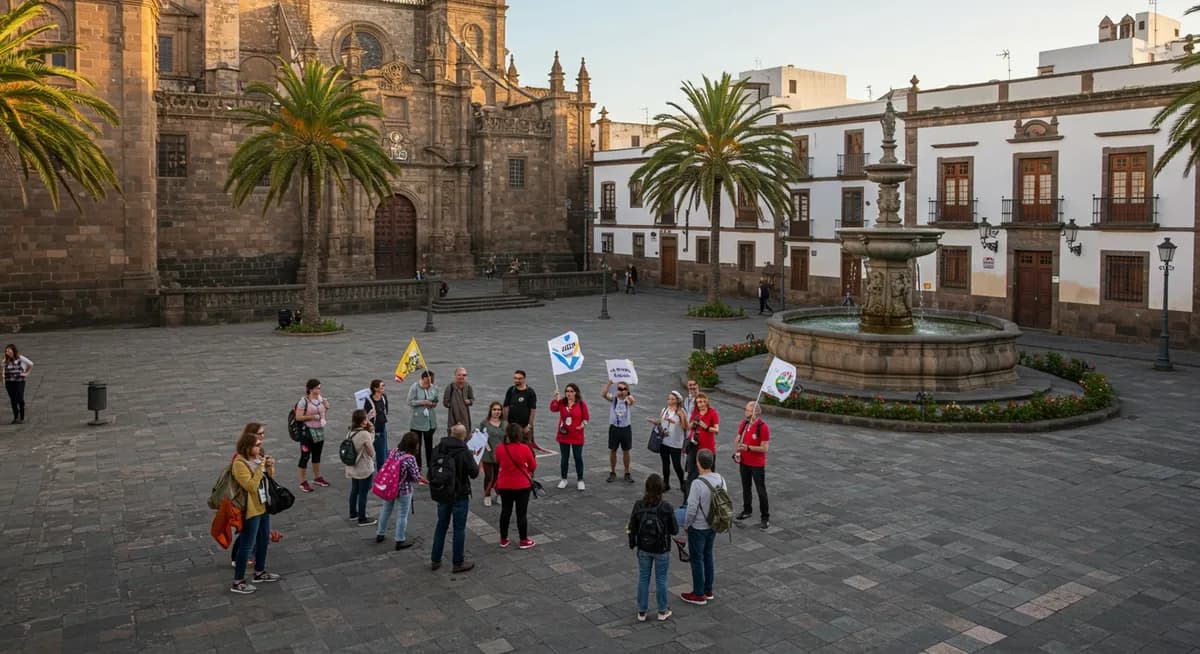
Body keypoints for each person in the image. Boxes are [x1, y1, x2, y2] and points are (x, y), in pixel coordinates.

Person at [230, 423, 281, 594]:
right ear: (248, 447)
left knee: (263, 540)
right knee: (247, 545)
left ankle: (260, 572)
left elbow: (269, 477)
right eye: (257, 445)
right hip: (250, 509)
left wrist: (270, 465)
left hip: (263, 504)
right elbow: (251, 486)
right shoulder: (239, 463)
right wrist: (261, 467)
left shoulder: (259, 457)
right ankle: (238, 581)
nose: (260, 447)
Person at [430, 424, 480, 573]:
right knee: (459, 529)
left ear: (451, 433)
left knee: (441, 525)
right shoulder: (464, 451)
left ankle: (435, 559)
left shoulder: (438, 448)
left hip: (442, 492)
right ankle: (458, 562)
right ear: (464, 436)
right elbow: (474, 473)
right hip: (460, 493)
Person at [627, 474, 677, 622]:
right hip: (661, 548)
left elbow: (632, 526)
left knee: (643, 578)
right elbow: (674, 530)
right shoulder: (666, 507)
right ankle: (662, 611)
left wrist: (633, 541)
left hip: (643, 547)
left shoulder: (638, 505)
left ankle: (642, 611)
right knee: (661, 579)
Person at [678, 449, 724, 606]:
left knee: (697, 559)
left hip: (698, 527)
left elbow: (691, 509)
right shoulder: (720, 479)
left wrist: (686, 525)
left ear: (698, 463)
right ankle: (708, 590)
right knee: (708, 555)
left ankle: (698, 594)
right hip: (714, 524)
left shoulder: (697, 483)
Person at [495, 422, 538, 549]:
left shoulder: (500, 448)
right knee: (521, 513)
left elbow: (498, 461)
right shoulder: (525, 448)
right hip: (522, 485)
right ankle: (523, 540)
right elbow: (533, 466)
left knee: (505, 511)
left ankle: (503, 539)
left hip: (504, 484)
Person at [376, 431, 421, 550]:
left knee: (386, 510)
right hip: (404, 489)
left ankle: (380, 533)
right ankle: (399, 540)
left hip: (390, 486)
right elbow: (416, 477)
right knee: (402, 515)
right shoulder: (410, 458)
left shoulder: (394, 451)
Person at [734, 401, 771, 530]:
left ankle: (765, 517)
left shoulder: (763, 427)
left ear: (756, 412)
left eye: (748, 410)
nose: (746, 412)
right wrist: (737, 451)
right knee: (746, 487)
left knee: (761, 490)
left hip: (757, 464)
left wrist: (748, 448)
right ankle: (747, 510)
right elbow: (738, 439)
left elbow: (765, 448)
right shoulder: (744, 424)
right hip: (744, 461)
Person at [550, 383, 589, 491]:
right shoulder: (562, 403)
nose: (569, 393)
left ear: (575, 392)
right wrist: (556, 399)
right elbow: (553, 409)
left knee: (578, 457)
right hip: (564, 435)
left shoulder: (581, 404)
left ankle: (580, 480)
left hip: (577, 435)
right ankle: (564, 479)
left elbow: (586, 418)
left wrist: (581, 426)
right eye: (567, 391)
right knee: (564, 458)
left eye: (571, 391)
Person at [295, 379, 331, 493]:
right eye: (317, 388)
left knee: (317, 455)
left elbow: (323, 412)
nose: (319, 390)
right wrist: (312, 417)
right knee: (305, 456)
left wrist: (326, 406)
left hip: (319, 430)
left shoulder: (320, 399)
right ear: (310, 389)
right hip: (307, 432)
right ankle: (302, 481)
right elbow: (298, 417)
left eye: (320, 388)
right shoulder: (303, 401)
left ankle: (317, 477)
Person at [650, 390, 689, 493]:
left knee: (676, 464)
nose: (669, 401)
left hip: (676, 443)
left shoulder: (680, 411)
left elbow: (686, 427)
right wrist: (655, 422)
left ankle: (682, 483)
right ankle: (666, 483)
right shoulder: (664, 410)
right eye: (668, 399)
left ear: (677, 400)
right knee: (665, 463)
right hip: (664, 441)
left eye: (672, 399)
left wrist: (675, 421)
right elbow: (661, 423)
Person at [503, 369, 550, 454]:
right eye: (515, 378)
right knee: (511, 449)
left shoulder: (530, 392)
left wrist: (529, 426)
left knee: (527, 450)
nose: (517, 380)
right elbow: (506, 407)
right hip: (512, 426)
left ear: (524, 379)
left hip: (524, 427)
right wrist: (506, 423)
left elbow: (533, 410)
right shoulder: (511, 390)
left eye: (519, 378)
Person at [684, 393, 719, 500]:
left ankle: (708, 498)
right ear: (696, 404)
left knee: (708, 475)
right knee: (691, 475)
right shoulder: (695, 412)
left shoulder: (712, 412)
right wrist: (693, 423)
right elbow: (688, 427)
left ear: (707, 401)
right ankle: (688, 499)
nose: (702, 404)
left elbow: (717, 430)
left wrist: (706, 427)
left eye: (704, 401)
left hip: (707, 450)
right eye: (699, 402)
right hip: (694, 448)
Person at [344, 409, 377, 526]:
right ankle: (362, 518)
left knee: (355, 490)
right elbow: (371, 453)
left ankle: (353, 513)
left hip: (353, 467)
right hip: (363, 468)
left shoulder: (350, 432)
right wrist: (372, 431)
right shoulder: (364, 434)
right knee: (363, 492)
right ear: (363, 421)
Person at [602, 379, 636, 484]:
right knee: (613, 450)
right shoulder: (614, 399)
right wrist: (609, 383)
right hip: (614, 428)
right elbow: (604, 394)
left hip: (625, 428)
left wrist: (627, 394)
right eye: (619, 388)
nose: (621, 390)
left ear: (627, 390)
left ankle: (627, 472)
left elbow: (632, 401)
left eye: (623, 389)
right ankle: (612, 471)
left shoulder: (628, 399)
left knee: (626, 451)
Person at [408, 370, 439, 473]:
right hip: (417, 420)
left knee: (429, 445)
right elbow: (410, 401)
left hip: (429, 420)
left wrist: (433, 403)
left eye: (431, 380)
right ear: (423, 378)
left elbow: (436, 400)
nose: (429, 383)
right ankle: (418, 467)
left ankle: (430, 466)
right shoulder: (415, 387)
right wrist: (423, 402)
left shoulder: (434, 388)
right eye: (427, 380)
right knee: (417, 445)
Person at [478, 401, 506, 507]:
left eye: (499, 410)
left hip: (501, 455)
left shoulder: (505, 423)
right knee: (489, 476)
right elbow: (479, 437)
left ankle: (499, 494)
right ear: (490, 410)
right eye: (494, 409)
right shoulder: (484, 423)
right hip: (488, 455)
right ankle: (487, 495)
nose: (497, 412)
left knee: (499, 477)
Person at [363, 379, 389, 473]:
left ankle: (381, 472)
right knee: (371, 452)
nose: (383, 388)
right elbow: (364, 416)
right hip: (373, 429)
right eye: (381, 386)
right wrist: (369, 415)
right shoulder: (369, 400)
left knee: (383, 452)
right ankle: (376, 472)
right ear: (375, 388)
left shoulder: (383, 397)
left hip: (382, 427)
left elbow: (386, 410)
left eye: (383, 386)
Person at [3, 344, 32, 424]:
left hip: (19, 381)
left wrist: (26, 373)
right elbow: (2, 369)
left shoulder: (20, 358)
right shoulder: (5, 360)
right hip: (9, 382)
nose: (7, 352)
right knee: (13, 400)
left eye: (9, 350)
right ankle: (16, 417)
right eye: (6, 351)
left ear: (13, 350)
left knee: (20, 398)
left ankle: (22, 416)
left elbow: (31, 364)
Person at [443, 367, 474, 439]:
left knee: (466, 435)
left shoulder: (468, 387)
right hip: (453, 416)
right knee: (452, 435)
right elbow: (445, 403)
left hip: (465, 416)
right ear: (455, 375)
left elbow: (472, 399)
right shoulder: (450, 387)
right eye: (459, 375)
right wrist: (453, 404)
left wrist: (469, 401)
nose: (462, 377)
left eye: (464, 375)